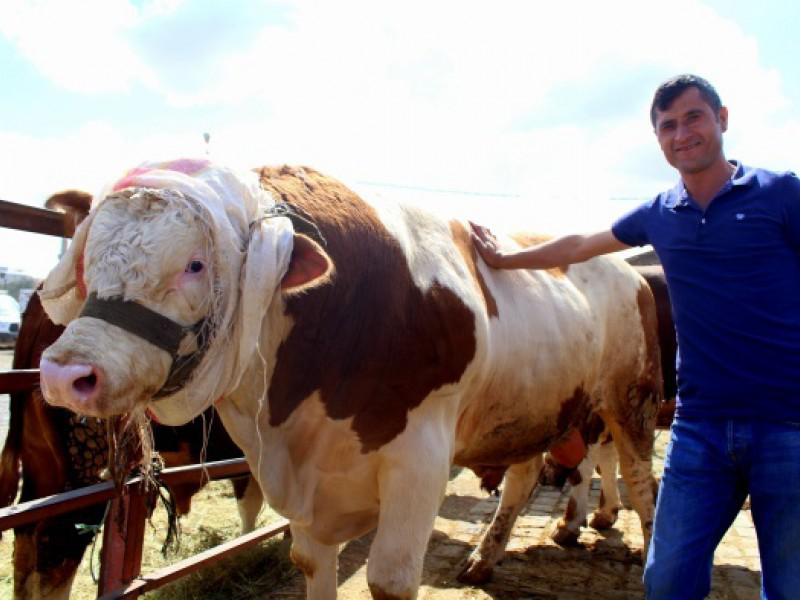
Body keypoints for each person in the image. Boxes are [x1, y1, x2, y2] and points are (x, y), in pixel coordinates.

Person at [471, 73, 800, 600]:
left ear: (722, 119)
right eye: (667, 125)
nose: (681, 133)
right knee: (666, 578)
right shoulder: (661, 212)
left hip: (786, 424)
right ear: (659, 140)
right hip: (701, 430)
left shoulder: (781, 193)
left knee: (789, 584)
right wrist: (506, 258)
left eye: (693, 117)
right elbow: (580, 244)